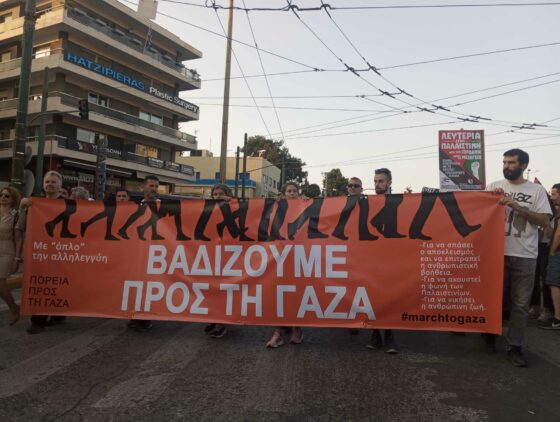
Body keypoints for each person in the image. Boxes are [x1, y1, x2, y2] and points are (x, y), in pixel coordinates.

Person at [487, 149, 553, 367]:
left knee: (521, 304)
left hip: (525, 255)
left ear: (523, 165)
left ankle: (514, 346)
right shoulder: (494, 186)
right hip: (496, 253)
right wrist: (490, 199)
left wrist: (516, 206)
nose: (506, 166)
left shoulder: (537, 191)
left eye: (511, 162)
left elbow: (543, 221)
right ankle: (489, 334)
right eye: (504, 162)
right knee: (493, 298)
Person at [21, 171, 69, 334]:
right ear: (43, 185)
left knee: (61, 283)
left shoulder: (68, 205)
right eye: (47, 182)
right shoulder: (34, 204)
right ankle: (38, 320)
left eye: (54, 182)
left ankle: (58, 314)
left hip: (64, 252)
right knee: (41, 284)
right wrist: (23, 207)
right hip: (41, 251)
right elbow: (23, 226)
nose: (50, 184)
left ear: (60, 186)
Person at [266, 182, 304, 348]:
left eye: (295, 191)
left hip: (299, 257)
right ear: (283, 194)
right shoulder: (276, 208)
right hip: (280, 257)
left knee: (297, 294)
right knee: (280, 295)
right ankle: (278, 332)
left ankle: (297, 329)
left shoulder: (305, 207)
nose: (292, 193)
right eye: (289, 191)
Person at [366, 168, 399, 354]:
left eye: (381, 181)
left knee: (390, 298)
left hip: (391, 258)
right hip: (372, 258)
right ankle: (375, 334)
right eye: (375, 181)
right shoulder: (367, 203)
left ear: (389, 183)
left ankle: (389, 335)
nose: (377, 184)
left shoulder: (399, 202)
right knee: (373, 297)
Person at [125, 175, 161, 332]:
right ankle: (135, 315)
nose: (154, 189)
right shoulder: (133, 206)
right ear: (143, 187)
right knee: (135, 285)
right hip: (136, 252)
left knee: (149, 286)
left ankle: (145, 317)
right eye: (151, 186)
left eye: (156, 186)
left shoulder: (163, 206)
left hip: (154, 252)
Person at [203, 184, 234, 339]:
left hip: (229, 255)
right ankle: (213, 319)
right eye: (215, 194)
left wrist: (231, 201)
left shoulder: (234, 208)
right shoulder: (208, 210)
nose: (218, 196)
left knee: (224, 289)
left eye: (221, 194)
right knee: (212, 289)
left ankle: (221, 323)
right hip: (211, 255)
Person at [0, 186, 23, 325]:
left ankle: (14, 308)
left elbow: (19, 238)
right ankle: (15, 308)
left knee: (1, 284)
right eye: (1, 195)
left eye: (7, 196)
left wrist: (17, 258)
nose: (3, 197)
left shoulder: (16, 215)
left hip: (6, 250)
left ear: (13, 198)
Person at [540, 183, 560, 330]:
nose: (552, 198)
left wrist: (552, 250)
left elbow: (558, 233)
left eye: (554, 194)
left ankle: (557, 318)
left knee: (554, 283)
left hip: (557, 252)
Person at [346, 177, 364, 336]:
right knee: (347, 286)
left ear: (361, 189)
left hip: (361, 251)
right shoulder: (338, 203)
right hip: (344, 250)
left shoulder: (367, 203)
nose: (352, 188)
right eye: (350, 185)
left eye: (356, 186)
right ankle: (350, 319)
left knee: (361, 286)